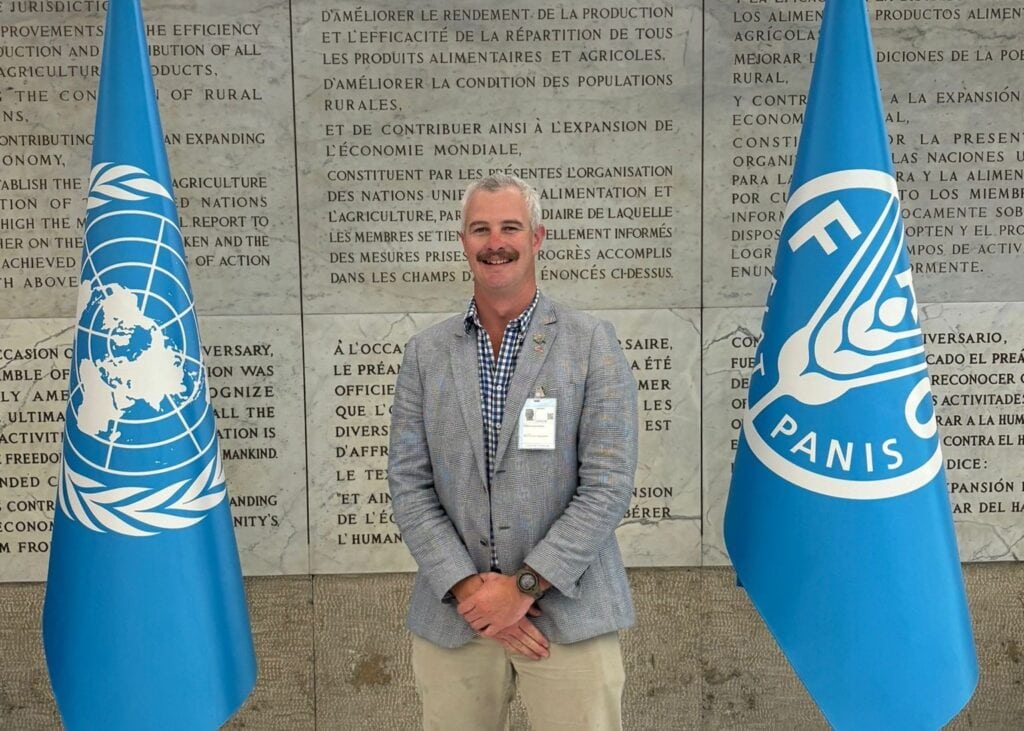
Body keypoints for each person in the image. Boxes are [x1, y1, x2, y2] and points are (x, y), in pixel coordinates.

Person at [388, 174, 638, 731]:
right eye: (480, 228)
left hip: (570, 614)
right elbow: (409, 484)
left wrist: (523, 588)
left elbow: (609, 482)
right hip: (458, 619)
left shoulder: (590, 342)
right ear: (463, 241)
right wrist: (472, 591)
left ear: (537, 238)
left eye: (509, 227)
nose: (494, 241)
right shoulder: (426, 354)